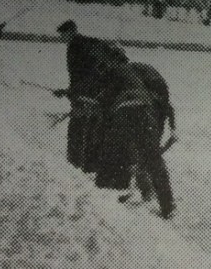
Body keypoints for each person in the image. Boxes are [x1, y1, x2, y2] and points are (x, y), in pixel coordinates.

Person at [88, 57, 176, 219]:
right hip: (146, 110)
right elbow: (165, 102)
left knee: (118, 154)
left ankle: (110, 201)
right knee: (152, 159)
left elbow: (103, 111)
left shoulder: (112, 76)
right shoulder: (142, 71)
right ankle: (167, 206)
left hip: (124, 113)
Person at [52, 20, 127, 173]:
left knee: (78, 129)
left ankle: (75, 164)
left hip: (88, 95)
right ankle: (88, 164)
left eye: (63, 35)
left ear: (71, 32)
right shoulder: (87, 43)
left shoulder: (76, 47)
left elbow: (84, 75)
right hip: (94, 94)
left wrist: (71, 92)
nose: (61, 38)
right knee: (92, 128)